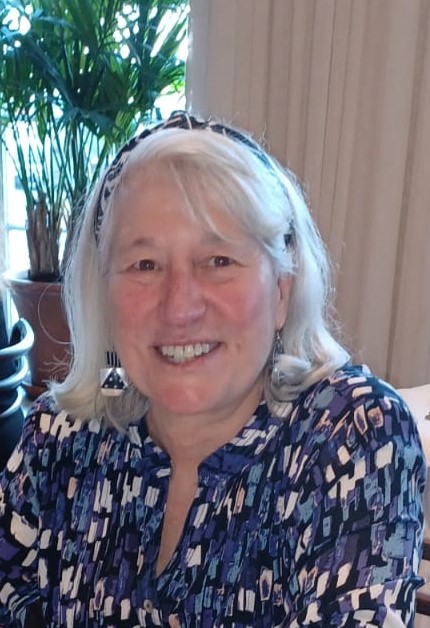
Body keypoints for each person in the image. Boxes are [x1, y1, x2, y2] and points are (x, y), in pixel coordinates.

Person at [0, 111, 425, 627]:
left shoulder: (350, 436)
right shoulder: (58, 438)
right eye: (145, 265)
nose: (180, 307)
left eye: (219, 260)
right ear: (105, 300)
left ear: (281, 292)